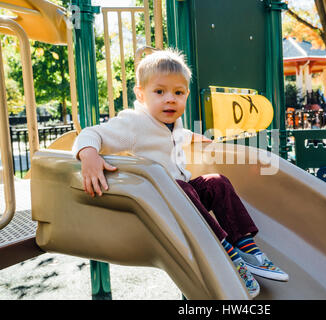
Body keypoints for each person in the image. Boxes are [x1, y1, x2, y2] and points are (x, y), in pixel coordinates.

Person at [72, 49, 288, 298]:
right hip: (159, 203)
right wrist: (88, 154)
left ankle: (246, 246)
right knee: (181, 187)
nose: (170, 99)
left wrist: (192, 137)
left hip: (183, 196)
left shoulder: (173, 122)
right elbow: (92, 133)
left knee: (216, 182)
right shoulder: (133, 123)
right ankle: (225, 252)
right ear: (141, 95)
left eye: (178, 92)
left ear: (185, 94)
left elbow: (172, 137)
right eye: (159, 91)